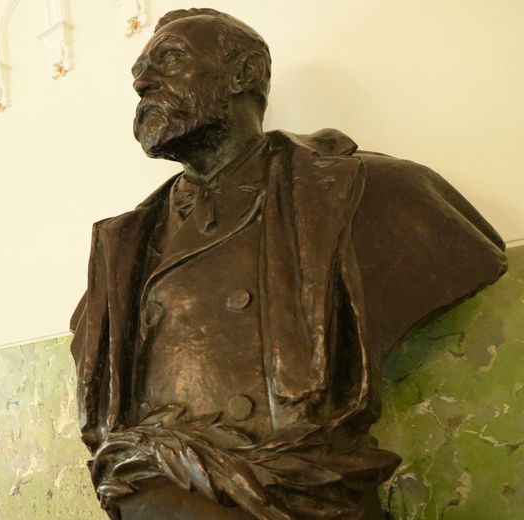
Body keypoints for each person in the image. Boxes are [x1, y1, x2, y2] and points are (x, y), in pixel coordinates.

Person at [69, 8, 506, 519]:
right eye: (139, 71)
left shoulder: (375, 193)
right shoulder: (123, 244)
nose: (142, 83)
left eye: (168, 59)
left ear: (245, 74)